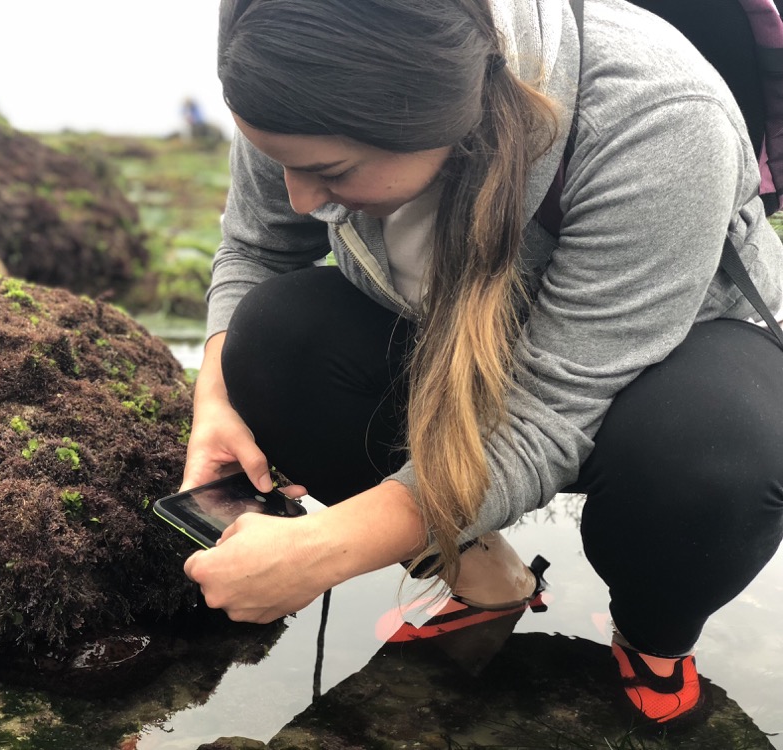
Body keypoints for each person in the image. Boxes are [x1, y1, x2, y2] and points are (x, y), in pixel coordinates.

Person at [181, 0, 783, 728]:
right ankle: (482, 577)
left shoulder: (660, 117)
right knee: (276, 338)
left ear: (436, 121)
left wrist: (329, 548)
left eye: (329, 171)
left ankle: (652, 637)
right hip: (453, 342)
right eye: (283, 165)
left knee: (717, 457)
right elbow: (257, 251)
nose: (302, 199)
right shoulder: (294, 80)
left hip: (663, 373)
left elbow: (547, 415)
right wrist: (215, 403)